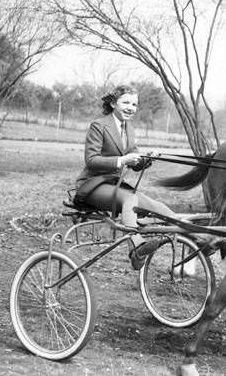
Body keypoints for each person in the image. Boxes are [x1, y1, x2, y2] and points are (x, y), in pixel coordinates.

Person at [74, 85, 174, 270]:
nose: (130, 108)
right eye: (126, 102)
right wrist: (121, 160)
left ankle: (200, 239)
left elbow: (134, 161)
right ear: (113, 103)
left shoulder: (129, 128)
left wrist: (146, 159)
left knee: (159, 207)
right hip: (93, 185)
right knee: (130, 199)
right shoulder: (99, 125)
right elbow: (91, 160)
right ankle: (137, 248)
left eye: (134, 104)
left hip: (116, 185)